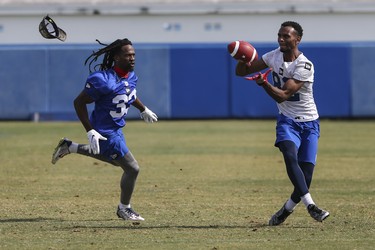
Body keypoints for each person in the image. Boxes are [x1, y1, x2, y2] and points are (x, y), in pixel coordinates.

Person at [51, 38, 158, 221]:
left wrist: (143, 108)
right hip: (106, 131)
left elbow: (129, 93)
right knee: (132, 168)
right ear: (116, 57)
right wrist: (90, 130)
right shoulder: (103, 80)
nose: (132, 58)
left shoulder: (131, 76)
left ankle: (70, 147)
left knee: (118, 162)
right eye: (127, 55)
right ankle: (124, 208)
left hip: (117, 130)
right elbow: (78, 102)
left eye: (133, 54)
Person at [235, 21, 329, 226]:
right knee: (288, 154)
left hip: (309, 123)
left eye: (286, 36)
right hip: (287, 121)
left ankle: (285, 211)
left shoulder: (305, 65)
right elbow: (241, 72)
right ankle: (312, 206)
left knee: (305, 177)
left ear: (298, 39)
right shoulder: (273, 56)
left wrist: (264, 83)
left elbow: (283, 95)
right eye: (279, 35)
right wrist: (242, 58)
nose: (281, 39)